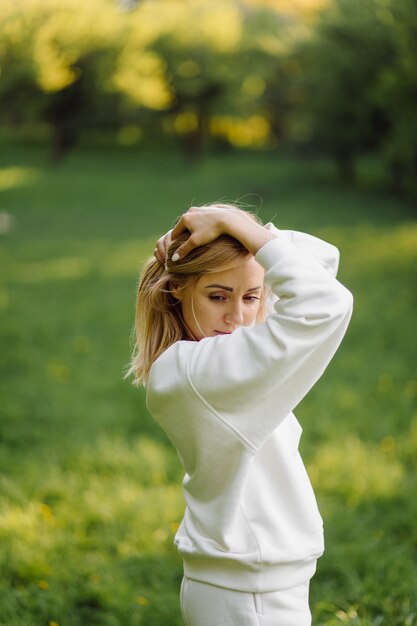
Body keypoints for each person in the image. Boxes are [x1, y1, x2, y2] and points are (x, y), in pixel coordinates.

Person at [126, 204, 353, 626]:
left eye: (252, 297)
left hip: (248, 584)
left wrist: (234, 229)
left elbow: (322, 262)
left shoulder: (194, 362)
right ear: (178, 290)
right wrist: (240, 229)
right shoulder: (201, 371)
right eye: (217, 296)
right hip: (250, 596)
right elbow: (326, 303)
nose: (238, 316)